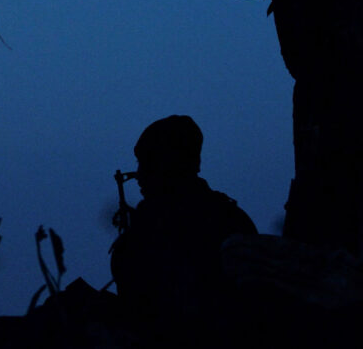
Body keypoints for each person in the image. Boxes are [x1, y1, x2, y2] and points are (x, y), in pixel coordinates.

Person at [110, 115, 257, 335]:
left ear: (170, 165)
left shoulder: (216, 222)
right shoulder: (229, 217)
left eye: (147, 164)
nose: (138, 175)